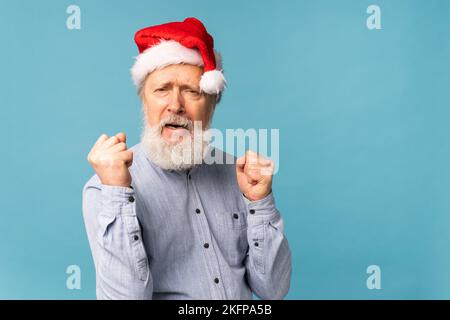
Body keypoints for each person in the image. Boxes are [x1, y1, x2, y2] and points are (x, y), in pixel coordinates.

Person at [82, 17, 291, 299]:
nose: (176, 106)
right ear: (144, 99)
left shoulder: (240, 175)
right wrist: (118, 192)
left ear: (213, 103)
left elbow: (273, 290)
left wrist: (260, 203)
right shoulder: (104, 189)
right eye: (162, 90)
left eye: (192, 91)